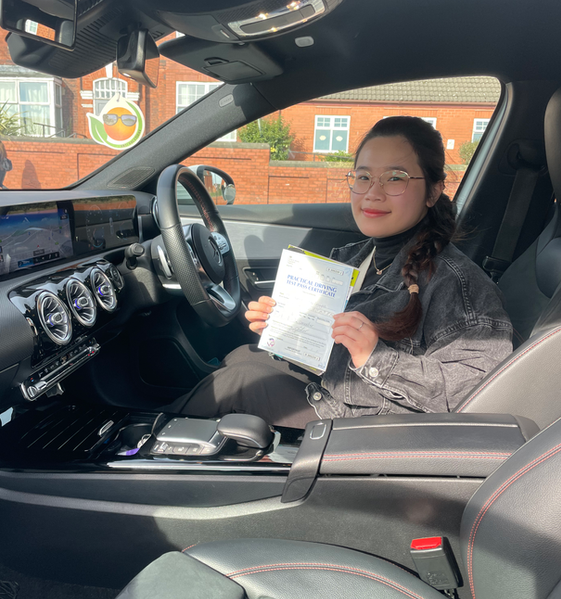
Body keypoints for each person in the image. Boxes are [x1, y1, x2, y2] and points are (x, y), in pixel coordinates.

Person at [167, 116, 514, 428]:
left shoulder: (459, 284)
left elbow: (479, 393)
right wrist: (284, 327)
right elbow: (324, 347)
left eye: (395, 178)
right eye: (363, 177)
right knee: (244, 357)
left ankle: (143, 454)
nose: (372, 193)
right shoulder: (354, 257)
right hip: (338, 392)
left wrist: (374, 357)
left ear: (433, 191)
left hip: (376, 432)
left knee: (237, 383)